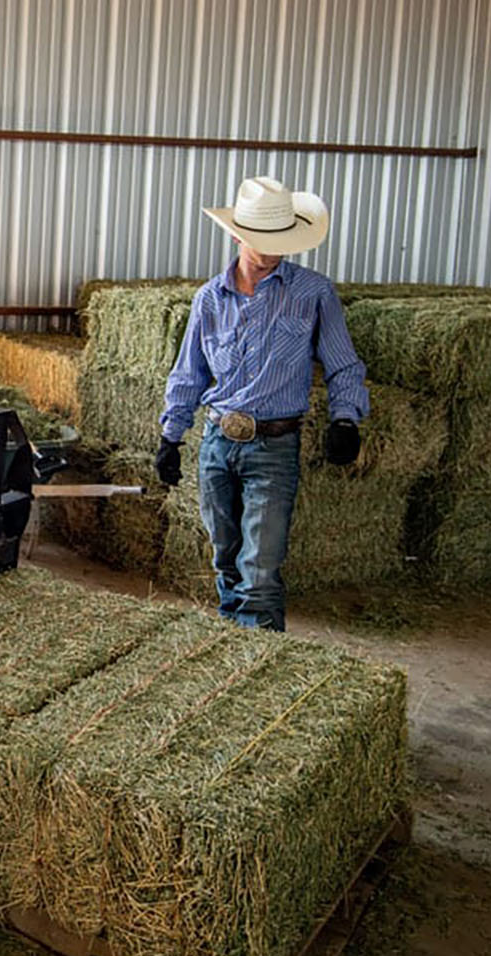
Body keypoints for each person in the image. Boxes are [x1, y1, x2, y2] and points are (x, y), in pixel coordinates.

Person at [155, 175, 368, 631]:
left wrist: (346, 418)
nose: (274, 249)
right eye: (262, 238)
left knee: (260, 568)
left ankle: (258, 653)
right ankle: (233, 646)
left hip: (274, 446)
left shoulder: (313, 293)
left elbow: (343, 363)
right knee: (225, 558)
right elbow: (189, 372)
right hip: (216, 442)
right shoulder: (210, 299)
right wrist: (170, 436)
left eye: (282, 239)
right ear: (238, 234)